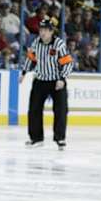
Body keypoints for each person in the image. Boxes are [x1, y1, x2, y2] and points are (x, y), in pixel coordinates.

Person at [20, 18, 73, 150]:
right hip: (40, 80)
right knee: (34, 109)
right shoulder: (36, 42)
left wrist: (62, 78)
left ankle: (60, 138)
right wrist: (24, 72)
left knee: (60, 110)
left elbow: (67, 63)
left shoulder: (58, 44)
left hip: (57, 81)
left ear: (51, 31)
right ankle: (36, 138)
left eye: (45, 30)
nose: (42, 33)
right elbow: (30, 58)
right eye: (41, 30)